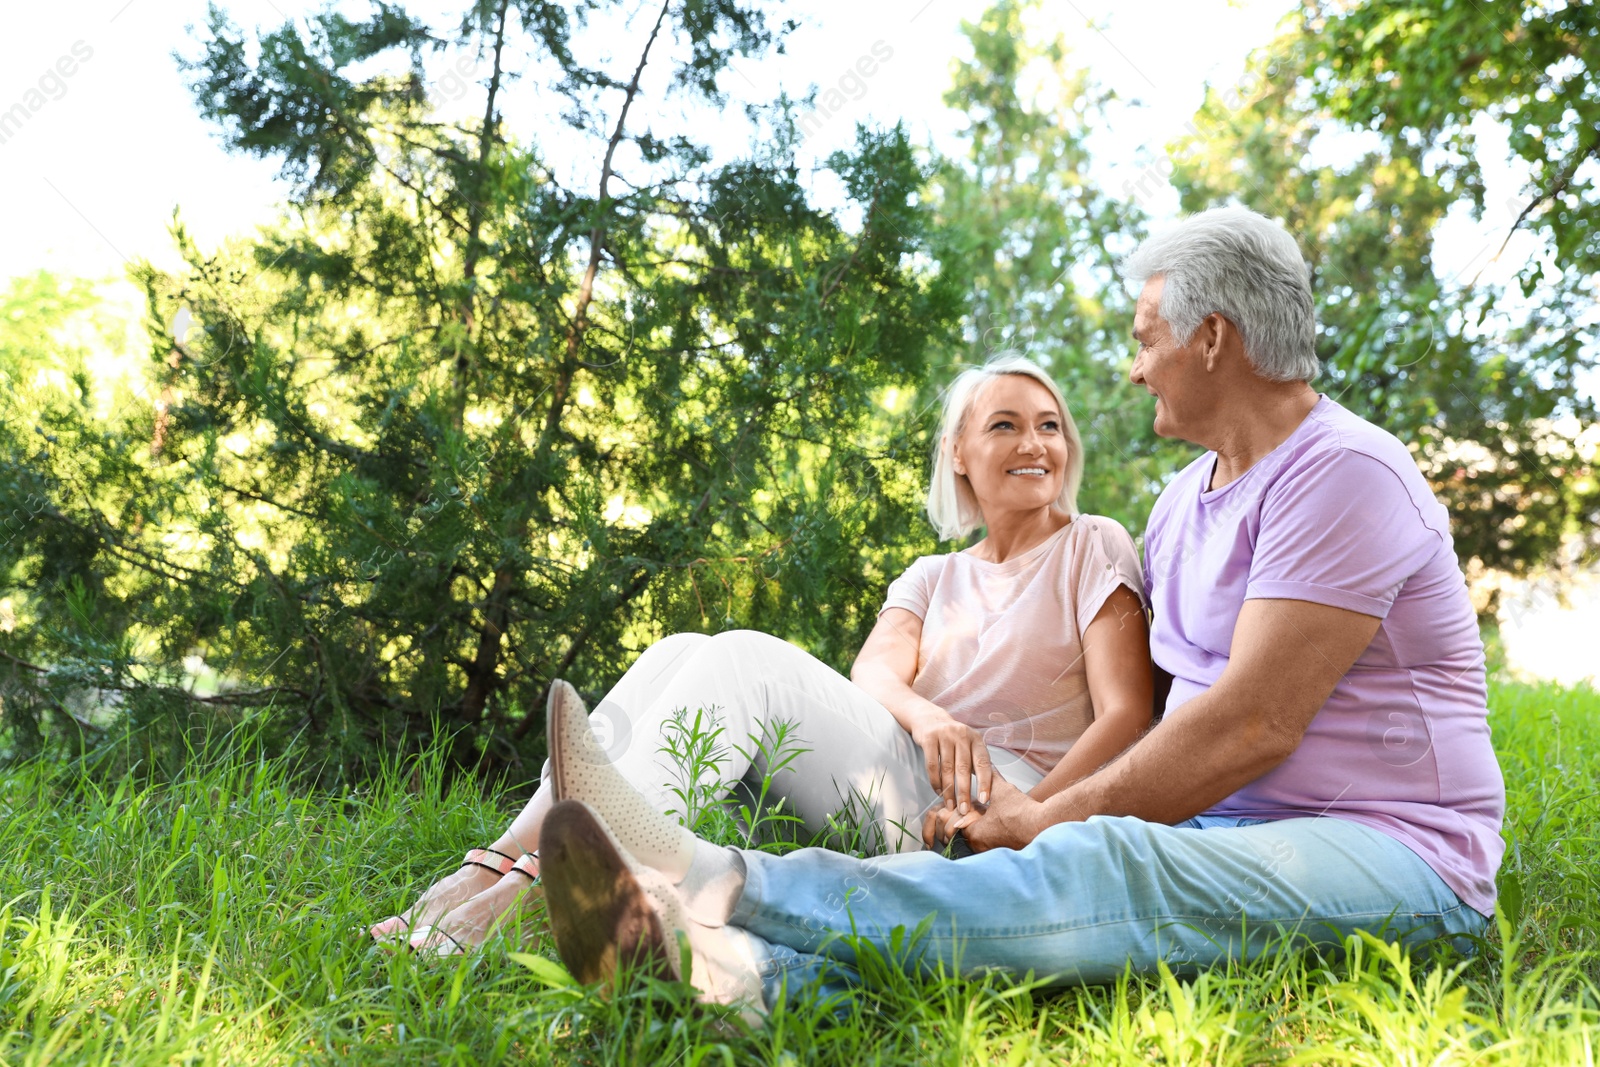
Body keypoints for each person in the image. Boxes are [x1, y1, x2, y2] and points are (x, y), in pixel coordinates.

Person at [534, 205, 1507, 1019]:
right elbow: (1161, 703)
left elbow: (1250, 719)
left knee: (1110, 860)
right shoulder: (1181, 502)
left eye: (1144, 338)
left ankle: (714, 876)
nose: (1133, 368)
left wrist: (1041, 812)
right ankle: (729, 981)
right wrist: (1010, 801)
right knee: (1074, 871)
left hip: (1396, 846)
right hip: (1217, 829)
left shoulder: (1342, 471)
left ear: (1212, 338)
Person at [370, 354, 1154, 952]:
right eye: (1006, 424)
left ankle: (550, 891)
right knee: (683, 646)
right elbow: (876, 672)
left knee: (742, 659)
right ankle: (507, 858)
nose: (1035, 443)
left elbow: (1129, 713)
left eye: (1050, 425)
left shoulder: (1093, 544)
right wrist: (930, 715)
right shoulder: (934, 573)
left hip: (997, 811)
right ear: (958, 451)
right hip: (912, 780)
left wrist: (1034, 814)